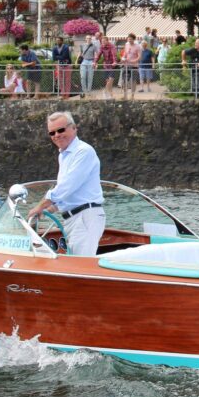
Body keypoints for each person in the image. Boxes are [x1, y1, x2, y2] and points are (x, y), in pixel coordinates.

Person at [28, 111, 105, 257]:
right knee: (76, 262)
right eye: (52, 133)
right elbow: (72, 192)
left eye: (61, 130)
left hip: (85, 217)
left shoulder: (83, 152)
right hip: (73, 218)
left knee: (81, 266)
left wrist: (39, 206)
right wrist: (49, 210)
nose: (57, 135)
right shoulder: (63, 155)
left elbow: (66, 187)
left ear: (74, 128)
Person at [120, 33, 141, 99]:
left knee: (133, 81)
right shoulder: (126, 44)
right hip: (126, 65)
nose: (129, 40)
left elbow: (139, 57)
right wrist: (123, 58)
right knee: (124, 80)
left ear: (134, 39)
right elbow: (125, 54)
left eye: (131, 39)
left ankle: (132, 95)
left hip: (134, 65)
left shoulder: (138, 46)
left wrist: (134, 61)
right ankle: (125, 95)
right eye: (128, 39)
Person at [96, 34, 117, 99]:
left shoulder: (112, 46)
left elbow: (114, 55)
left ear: (107, 41)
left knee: (111, 79)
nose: (103, 43)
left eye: (104, 41)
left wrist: (114, 62)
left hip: (111, 65)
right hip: (105, 65)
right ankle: (111, 95)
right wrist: (95, 62)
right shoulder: (102, 47)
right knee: (108, 81)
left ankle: (104, 91)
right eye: (102, 42)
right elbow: (98, 55)